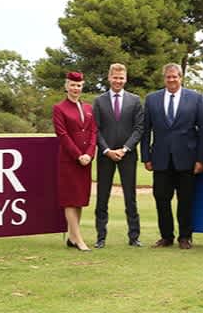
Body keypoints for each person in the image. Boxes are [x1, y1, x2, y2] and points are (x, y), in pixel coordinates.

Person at [141, 63, 203, 249]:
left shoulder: (195, 99)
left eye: (175, 76)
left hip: (187, 159)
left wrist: (200, 159)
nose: (171, 80)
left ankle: (185, 237)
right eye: (168, 77)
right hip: (160, 159)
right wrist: (146, 156)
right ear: (164, 79)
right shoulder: (152, 99)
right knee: (161, 199)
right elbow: (146, 131)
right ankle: (166, 236)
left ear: (181, 77)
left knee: (186, 200)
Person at [92, 63, 144, 248]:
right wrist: (106, 150)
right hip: (105, 155)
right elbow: (95, 129)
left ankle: (134, 236)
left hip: (127, 155)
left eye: (121, 78)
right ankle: (101, 237)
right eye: (115, 77)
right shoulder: (99, 101)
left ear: (126, 79)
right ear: (109, 77)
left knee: (130, 196)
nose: (118, 81)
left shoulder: (135, 100)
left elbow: (139, 128)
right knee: (102, 196)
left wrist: (125, 148)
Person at [52, 71, 97, 252]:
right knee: (70, 200)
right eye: (72, 85)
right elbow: (62, 135)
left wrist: (89, 154)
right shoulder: (59, 108)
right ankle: (79, 239)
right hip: (70, 161)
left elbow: (93, 132)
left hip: (86, 160)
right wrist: (78, 155)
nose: (75, 88)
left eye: (78, 85)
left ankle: (72, 236)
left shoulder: (88, 108)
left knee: (79, 199)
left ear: (82, 86)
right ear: (66, 86)